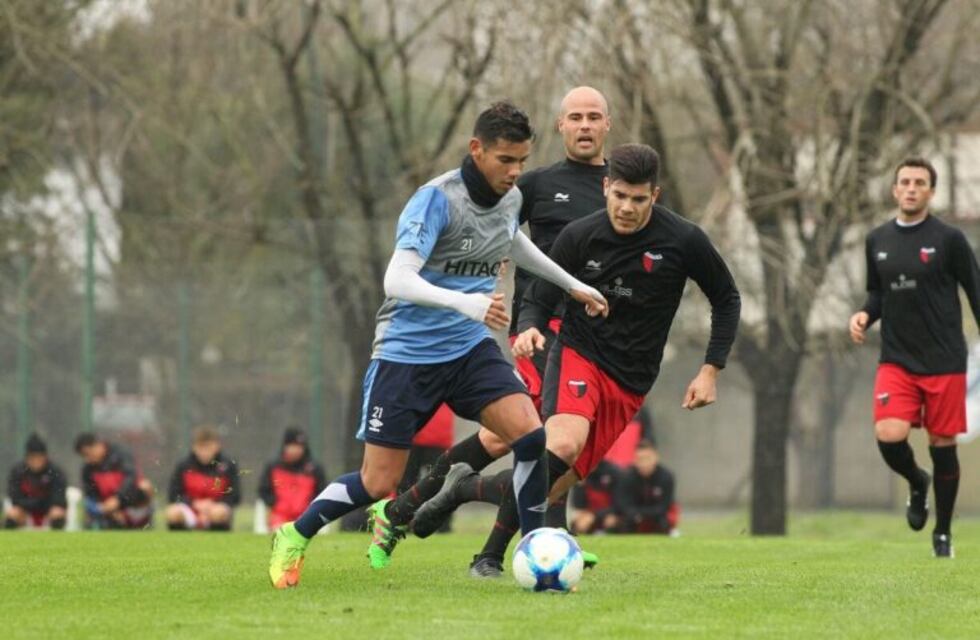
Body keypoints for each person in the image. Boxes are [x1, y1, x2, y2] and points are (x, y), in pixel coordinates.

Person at [267, 100, 608, 589]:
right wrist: (464, 303)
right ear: (476, 149)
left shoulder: (510, 199)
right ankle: (295, 534)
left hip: (468, 350)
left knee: (532, 438)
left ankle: (535, 549)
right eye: (505, 160)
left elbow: (513, 243)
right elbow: (396, 279)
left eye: (522, 162)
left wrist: (572, 284)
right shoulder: (436, 199)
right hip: (406, 356)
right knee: (378, 483)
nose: (515, 172)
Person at [413, 143, 740, 576]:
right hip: (578, 353)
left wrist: (709, 370)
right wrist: (529, 325)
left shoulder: (683, 239)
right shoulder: (580, 235)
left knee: (547, 487)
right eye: (619, 196)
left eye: (638, 199)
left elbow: (727, 298)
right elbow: (541, 295)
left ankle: (463, 489)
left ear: (655, 196)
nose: (627, 208)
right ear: (606, 187)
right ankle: (489, 557)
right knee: (561, 444)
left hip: (631, 381)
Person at [368, 86, 612, 562]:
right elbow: (500, 240)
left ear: (608, 124)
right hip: (539, 330)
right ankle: (513, 550)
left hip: (591, 337)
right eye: (575, 116)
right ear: (561, 125)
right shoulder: (531, 184)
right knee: (553, 438)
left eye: (594, 116)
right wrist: (521, 318)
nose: (585, 125)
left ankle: (407, 508)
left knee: (516, 438)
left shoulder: (619, 187)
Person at [849, 156, 980, 558]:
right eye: (904, 181)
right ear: (894, 190)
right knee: (889, 435)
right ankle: (916, 481)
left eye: (919, 182)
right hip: (897, 359)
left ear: (930, 191)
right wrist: (865, 315)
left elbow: (976, 293)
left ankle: (942, 533)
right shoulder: (877, 240)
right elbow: (878, 294)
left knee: (943, 446)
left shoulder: (950, 240)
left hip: (944, 359)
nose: (910, 188)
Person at [166, 426, 241, 531]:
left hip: (215, 509)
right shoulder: (183, 466)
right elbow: (173, 495)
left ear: (217, 446)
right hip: (191, 509)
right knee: (173, 513)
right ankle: (180, 543)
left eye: (208, 447)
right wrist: (194, 503)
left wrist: (213, 504)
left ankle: (216, 544)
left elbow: (235, 496)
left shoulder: (228, 465)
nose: (204, 452)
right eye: (201, 447)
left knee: (218, 513)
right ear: (194, 447)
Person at [75, 432, 155, 529]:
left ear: (98, 445)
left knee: (145, 486)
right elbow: (90, 495)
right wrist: (104, 508)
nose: (87, 459)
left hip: (130, 500)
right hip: (107, 509)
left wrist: (118, 499)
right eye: (84, 456)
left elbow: (131, 478)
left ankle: (141, 521)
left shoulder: (121, 455)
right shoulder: (87, 469)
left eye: (87, 454)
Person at [259, 427, 327, 530]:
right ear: (285, 446)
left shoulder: (315, 469)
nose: (296, 450)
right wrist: (274, 504)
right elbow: (263, 490)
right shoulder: (274, 467)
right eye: (293, 445)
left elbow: (322, 493)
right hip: (280, 516)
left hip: (306, 517)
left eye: (300, 446)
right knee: (279, 530)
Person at [612, 440, 678, 534]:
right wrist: (635, 514)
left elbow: (664, 506)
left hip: (657, 516)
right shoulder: (626, 476)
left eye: (647, 458)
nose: (644, 463)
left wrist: (642, 514)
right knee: (622, 523)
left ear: (656, 457)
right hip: (632, 517)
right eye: (640, 459)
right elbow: (622, 504)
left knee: (663, 522)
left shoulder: (666, 477)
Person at [4, 434, 68, 530]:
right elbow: (15, 498)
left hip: (47, 509)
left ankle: (56, 541)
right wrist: (31, 504)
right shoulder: (18, 471)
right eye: (32, 457)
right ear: (27, 457)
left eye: (39, 457)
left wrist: (43, 504)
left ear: (45, 457)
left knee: (57, 513)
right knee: (13, 514)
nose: (36, 461)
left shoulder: (55, 472)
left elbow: (59, 499)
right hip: (25, 511)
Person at [569, 458, 621, 535]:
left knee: (611, 520)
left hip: (610, 512)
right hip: (589, 513)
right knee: (578, 521)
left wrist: (594, 516)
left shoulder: (613, 472)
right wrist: (580, 486)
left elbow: (619, 504)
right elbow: (578, 506)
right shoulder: (580, 473)